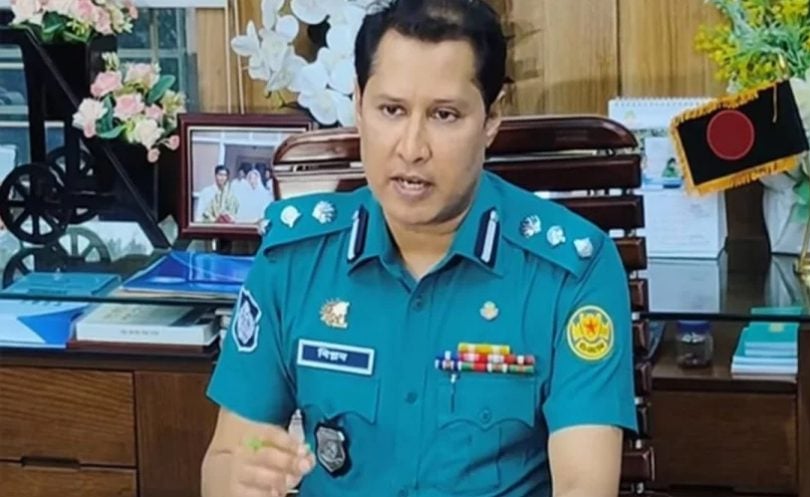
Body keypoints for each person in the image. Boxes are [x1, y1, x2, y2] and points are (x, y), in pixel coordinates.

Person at [201, 0, 637, 496]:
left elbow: (584, 484)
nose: (412, 148)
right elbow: (227, 458)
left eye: (444, 115)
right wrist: (243, 477)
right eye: (391, 110)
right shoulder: (293, 260)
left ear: (491, 118)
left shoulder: (571, 271)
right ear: (358, 104)